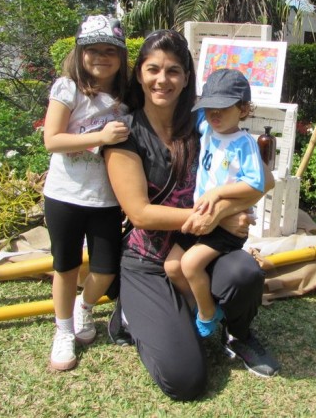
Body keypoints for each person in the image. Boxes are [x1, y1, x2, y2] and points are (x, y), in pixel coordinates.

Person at [104, 30, 280, 401]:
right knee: (185, 381)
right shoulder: (125, 132)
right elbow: (140, 213)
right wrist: (213, 217)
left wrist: (225, 210)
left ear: (186, 78)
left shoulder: (204, 122)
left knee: (244, 273)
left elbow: (264, 181)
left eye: (173, 71)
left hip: (200, 246)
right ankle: (131, 313)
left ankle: (237, 334)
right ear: (139, 74)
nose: (162, 79)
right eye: (153, 69)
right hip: (148, 259)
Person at [43, 15, 130, 371]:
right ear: (79, 53)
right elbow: (52, 140)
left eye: (111, 50)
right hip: (64, 195)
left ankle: (85, 307)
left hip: (106, 199)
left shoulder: (126, 98)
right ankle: (63, 330)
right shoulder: (68, 88)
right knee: (65, 268)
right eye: (93, 49)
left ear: (122, 56)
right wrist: (100, 137)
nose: (101, 57)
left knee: (106, 270)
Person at [164, 69, 265, 339]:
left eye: (223, 108)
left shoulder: (244, 143)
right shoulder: (208, 128)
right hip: (202, 217)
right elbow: (183, 107)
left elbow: (256, 183)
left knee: (190, 264)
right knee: (172, 266)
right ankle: (202, 305)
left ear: (243, 109)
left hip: (226, 226)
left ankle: (207, 315)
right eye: (210, 108)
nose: (215, 114)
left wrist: (218, 193)